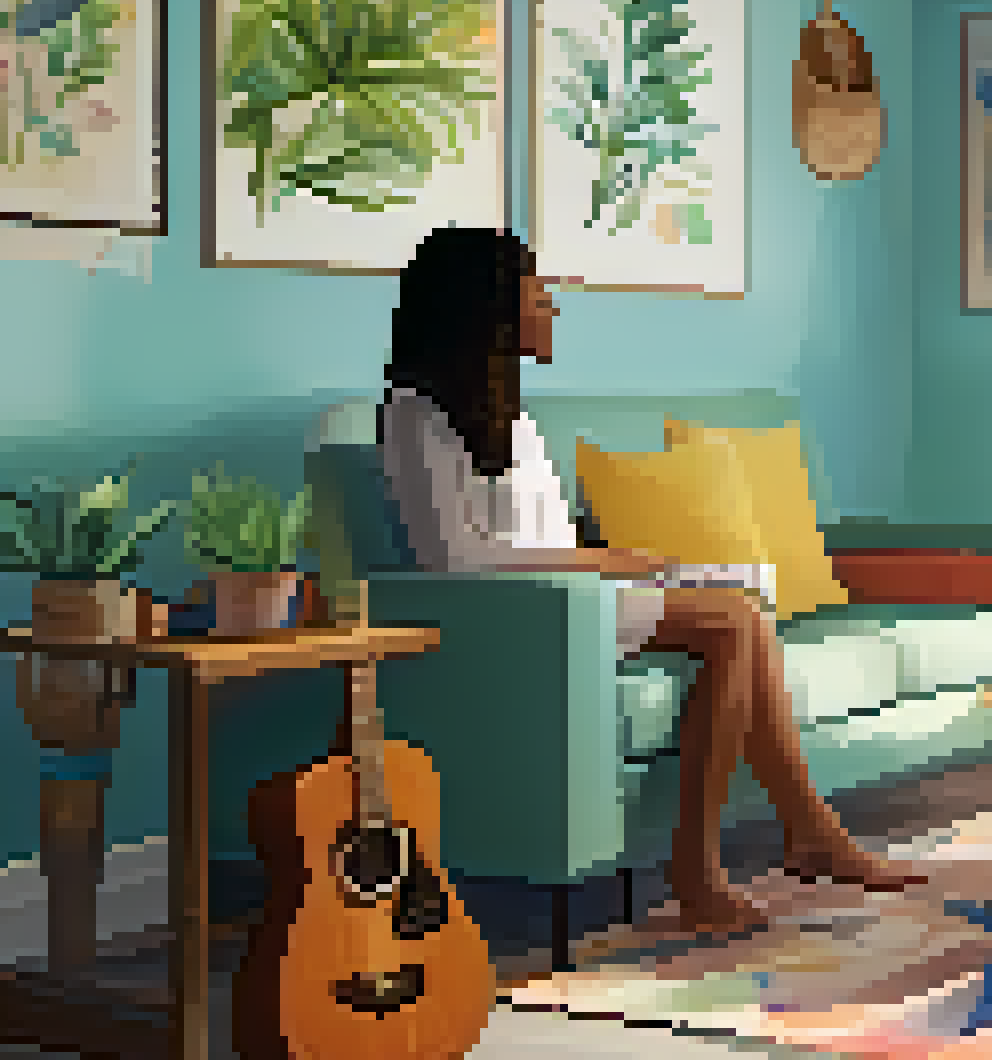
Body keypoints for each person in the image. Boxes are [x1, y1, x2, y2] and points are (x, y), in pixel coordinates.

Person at [376, 226, 920, 936]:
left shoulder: (512, 419)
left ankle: (793, 836)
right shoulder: (413, 416)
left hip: (571, 602)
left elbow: (538, 537)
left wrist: (609, 555)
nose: (552, 307)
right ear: (490, 307)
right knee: (733, 620)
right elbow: (452, 560)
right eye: (538, 292)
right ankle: (728, 861)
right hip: (519, 621)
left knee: (743, 612)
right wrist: (600, 563)